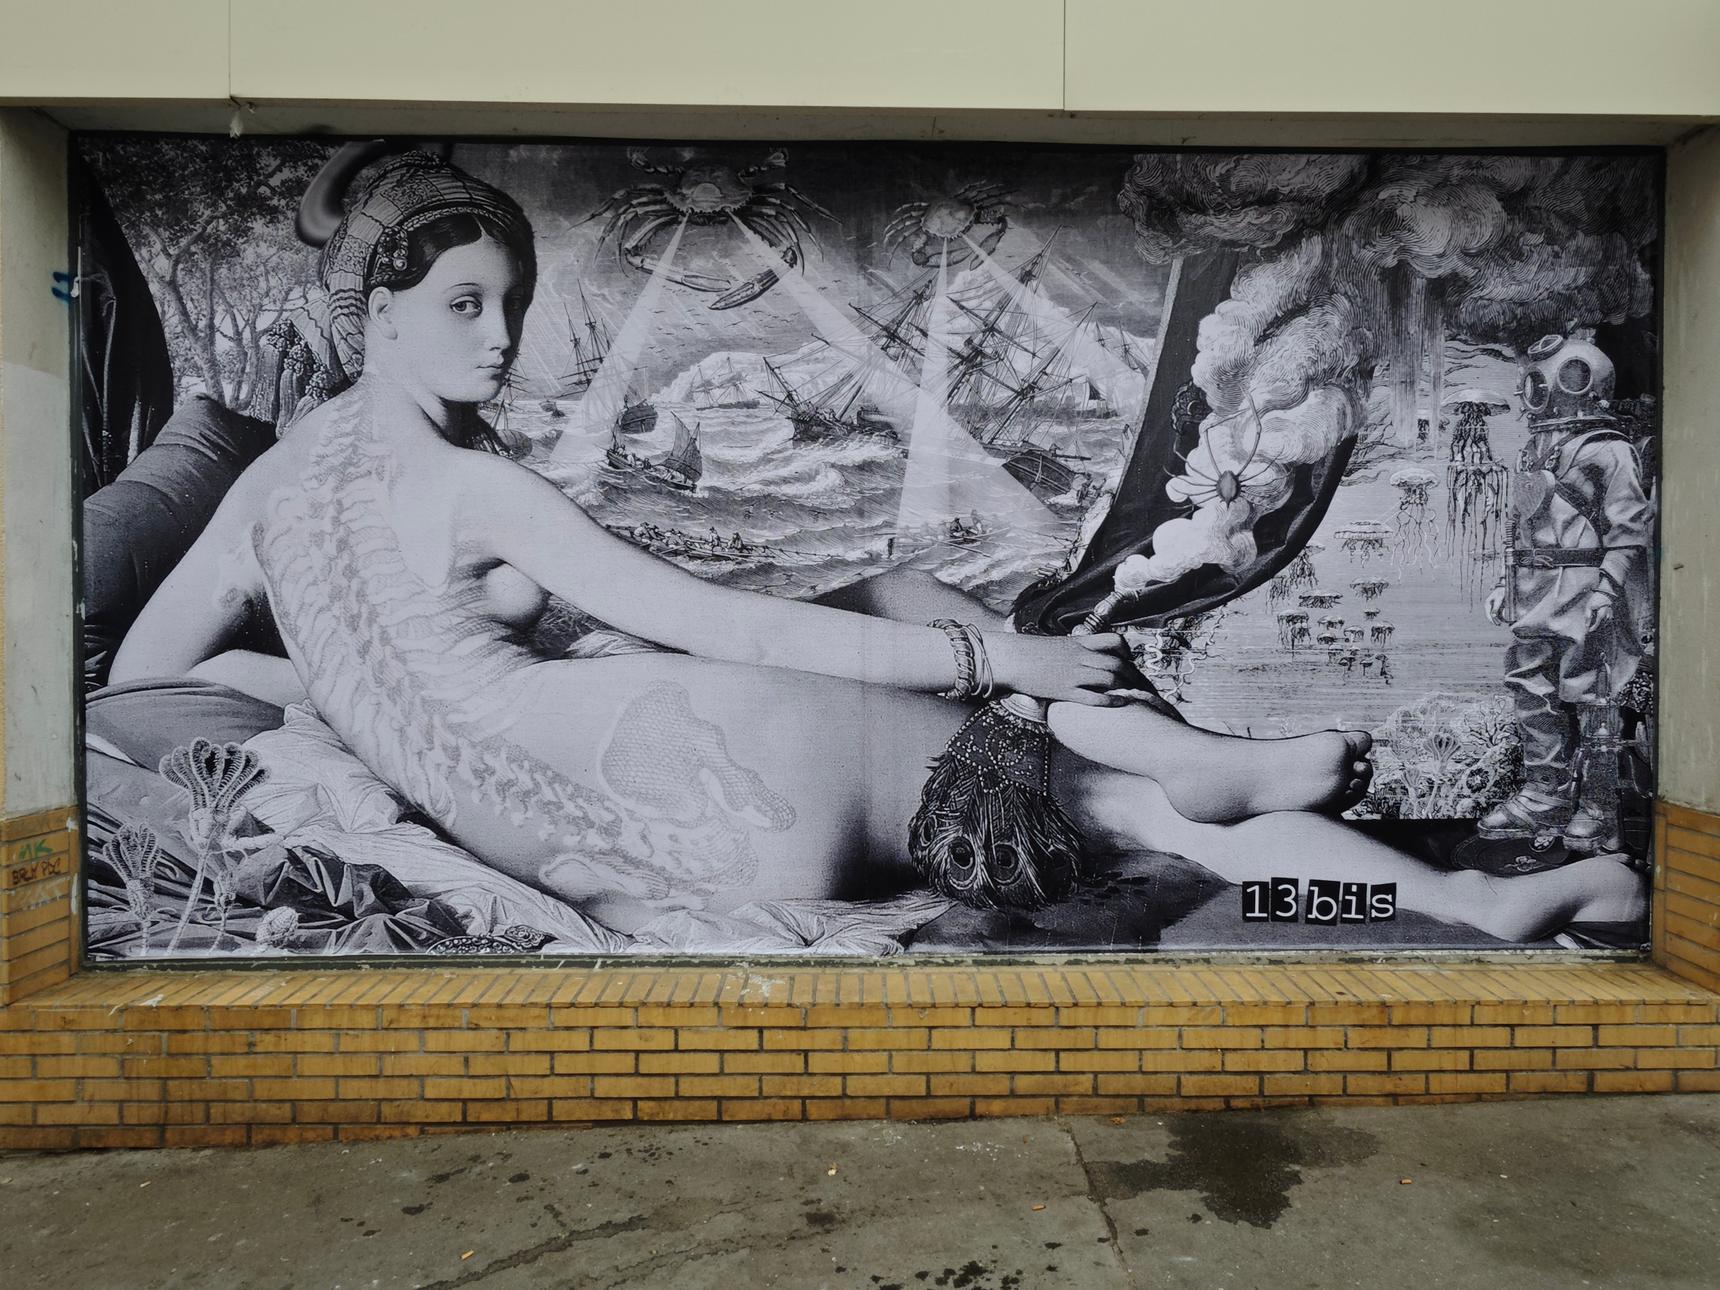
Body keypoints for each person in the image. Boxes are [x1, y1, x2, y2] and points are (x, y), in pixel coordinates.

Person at [110, 153, 1642, 942]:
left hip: (652, 810)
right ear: (378, 311)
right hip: (727, 743)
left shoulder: (263, 501)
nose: (499, 339)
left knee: (997, 686)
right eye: (464, 304)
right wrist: (995, 650)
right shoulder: (476, 490)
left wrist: (317, 684)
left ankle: (1267, 800)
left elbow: (140, 685)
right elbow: (737, 629)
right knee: (1129, 807)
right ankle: (1346, 843)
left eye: (510, 302)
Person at [1482, 334, 1653, 853]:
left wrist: (1607, 588)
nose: (1543, 390)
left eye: (1558, 377)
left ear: (1586, 380)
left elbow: (1629, 528)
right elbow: (1522, 526)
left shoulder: (1611, 449)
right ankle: (1545, 794)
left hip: (1583, 587)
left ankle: (1598, 806)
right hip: (1535, 588)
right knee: (1529, 684)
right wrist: (1505, 584)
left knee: (1591, 692)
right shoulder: (1536, 449)